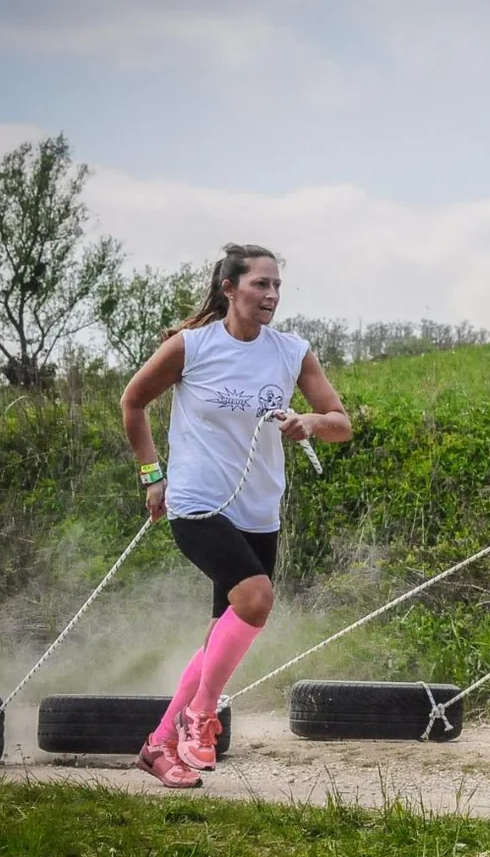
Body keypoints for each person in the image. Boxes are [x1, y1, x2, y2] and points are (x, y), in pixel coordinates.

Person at [120, 243, 352, 788]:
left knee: (219, 637)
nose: (270, 295)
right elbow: (133, 402)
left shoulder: (292, 351)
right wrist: (153, 476)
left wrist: (309, 423)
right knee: (256, 600)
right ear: (230, 288)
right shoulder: (192, 347)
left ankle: (158, 745)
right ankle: (200, 717)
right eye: (259, 285)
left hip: (257, 511)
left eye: (276, 286)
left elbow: (340, 420)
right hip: (198, 503)